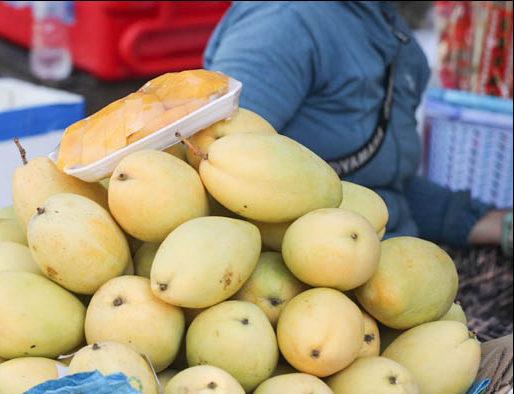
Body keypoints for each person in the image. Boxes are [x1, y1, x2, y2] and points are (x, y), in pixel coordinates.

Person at [202, 1, 512, 256]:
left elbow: (382, 186)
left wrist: (491, 223)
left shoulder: (390, 28)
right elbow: (214, 163)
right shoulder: (285, 22)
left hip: (396, 263)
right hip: (326, 283)